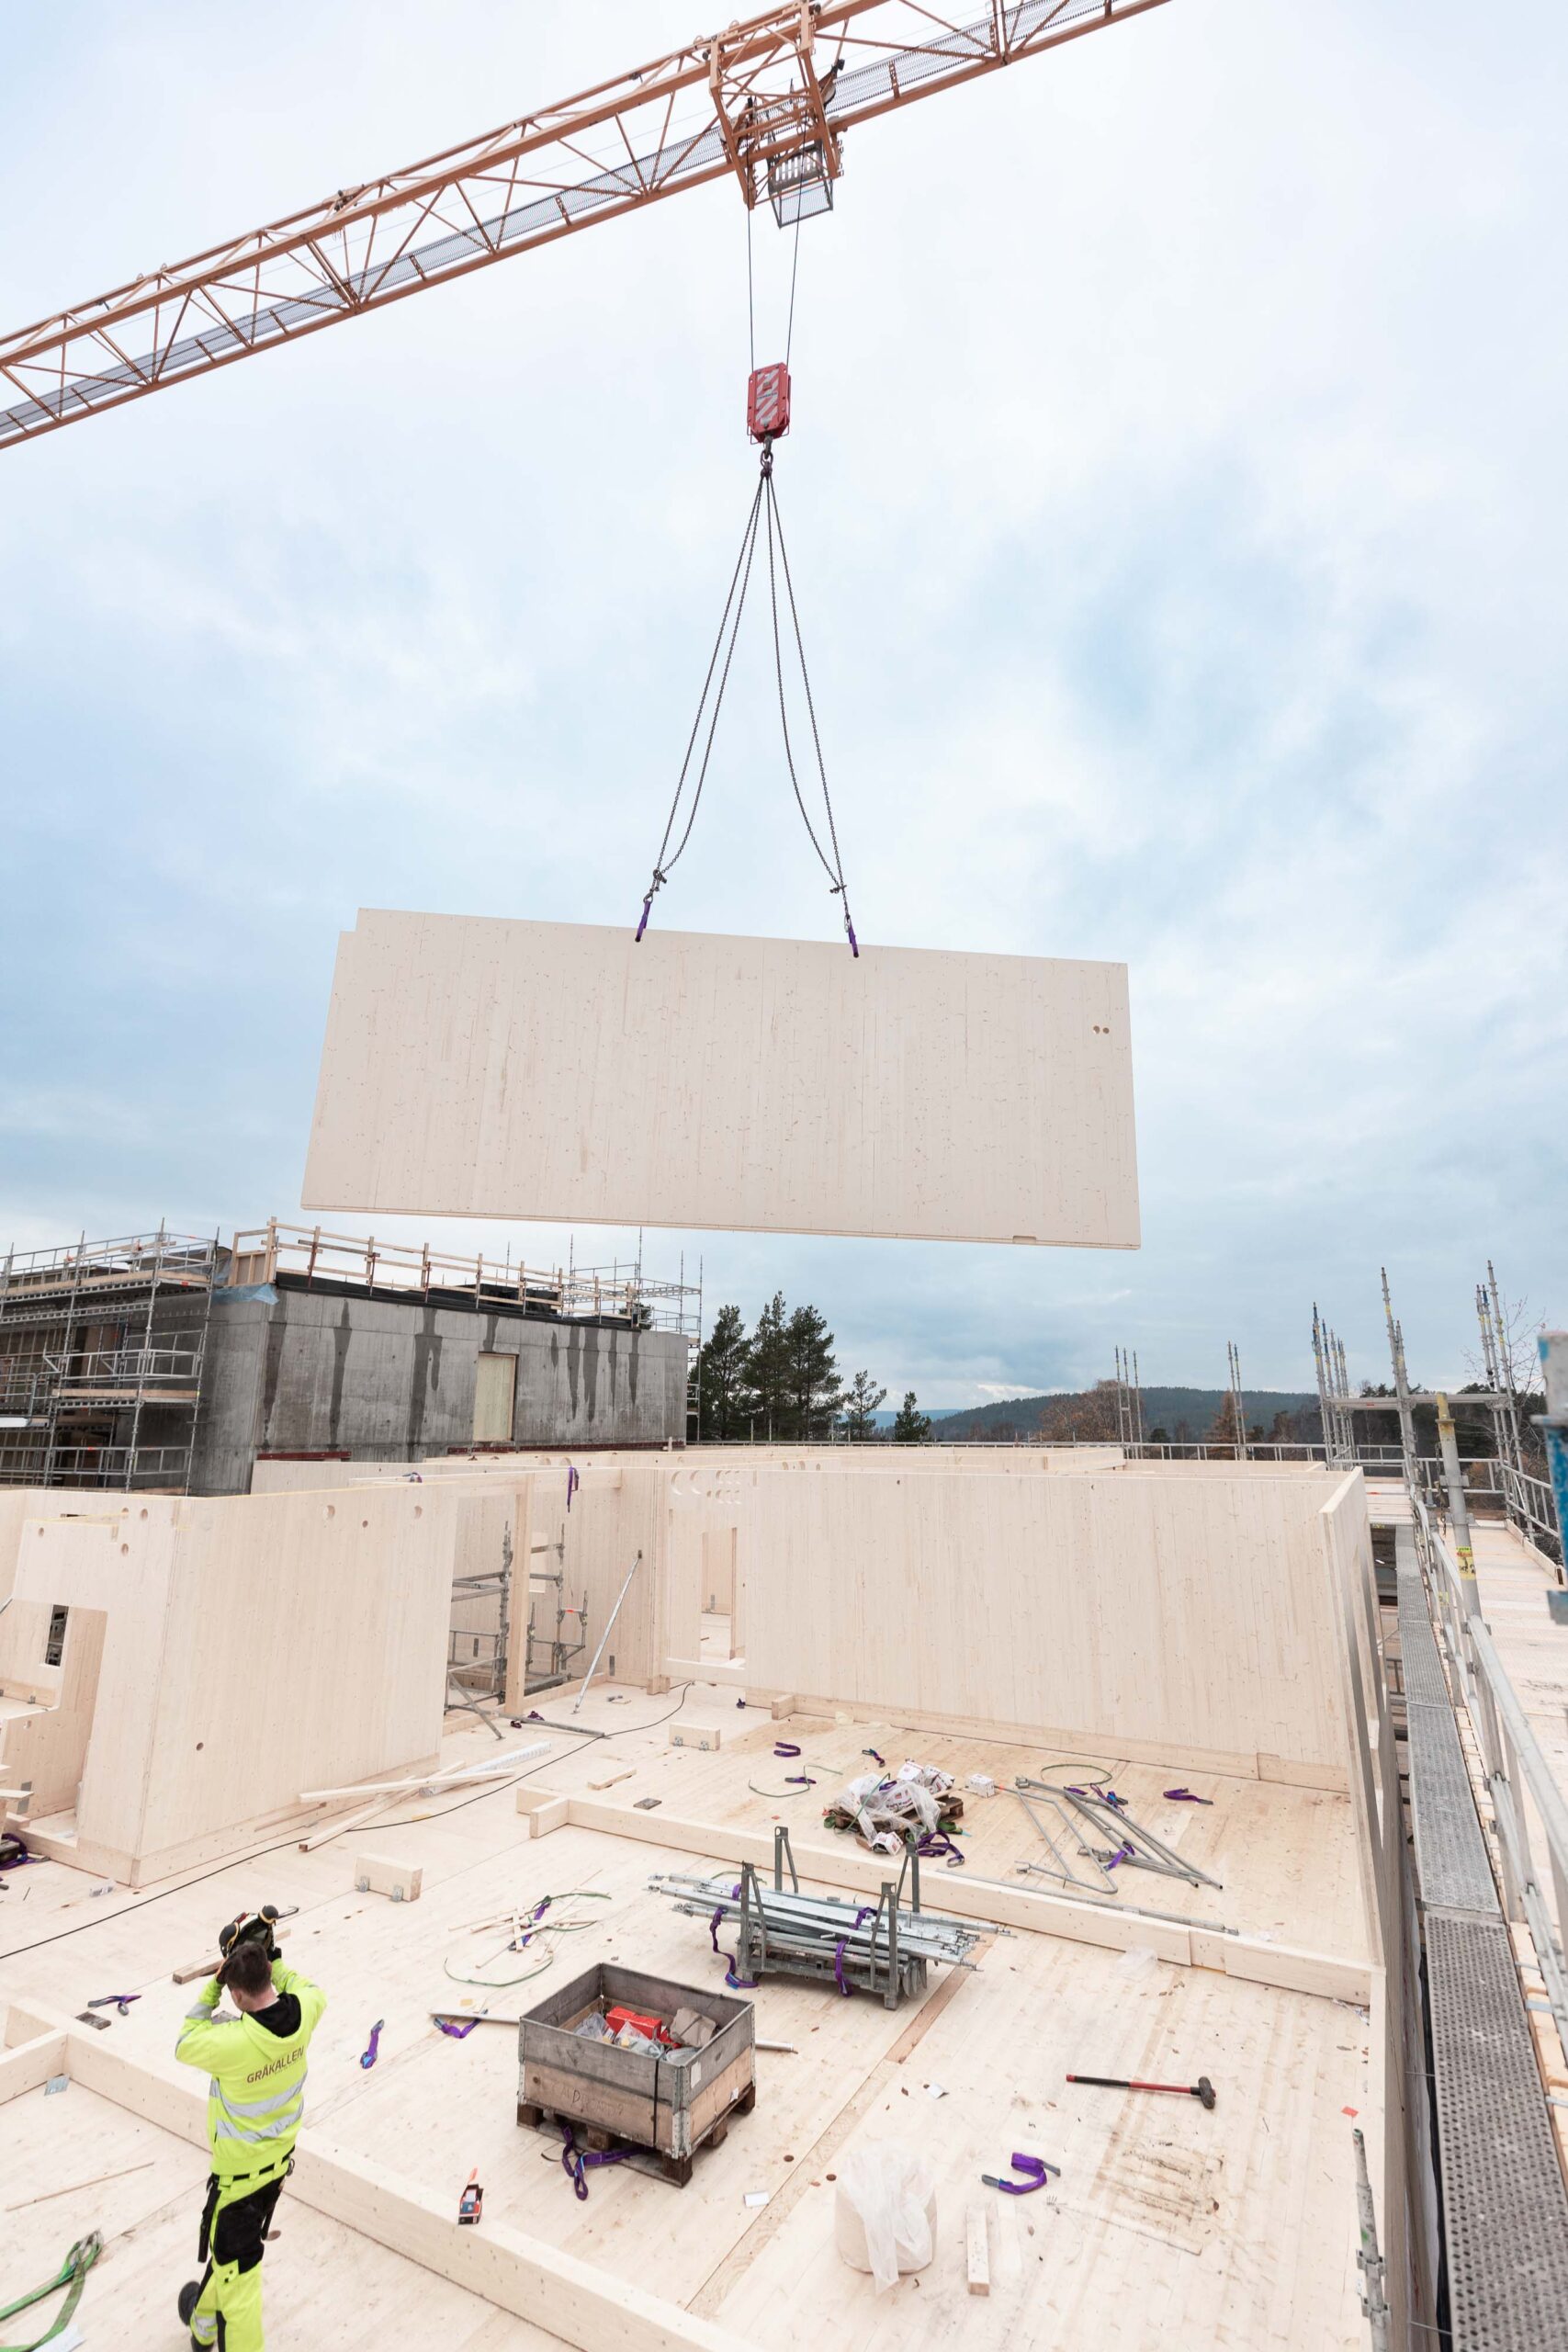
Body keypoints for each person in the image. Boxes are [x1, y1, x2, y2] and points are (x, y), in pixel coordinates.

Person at [174, 1914, 326, 2351]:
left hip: (237, 2187)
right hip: (274, 2174)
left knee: (241, 2293)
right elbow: (308, 1987)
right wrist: (271, 1956)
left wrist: (213, 1984)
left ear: (236, 1996)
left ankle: (211, 2329)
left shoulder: (231, 2044)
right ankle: (202, 2327)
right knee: (230, 2262)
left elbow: (184, 2041)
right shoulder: (304, 2012)